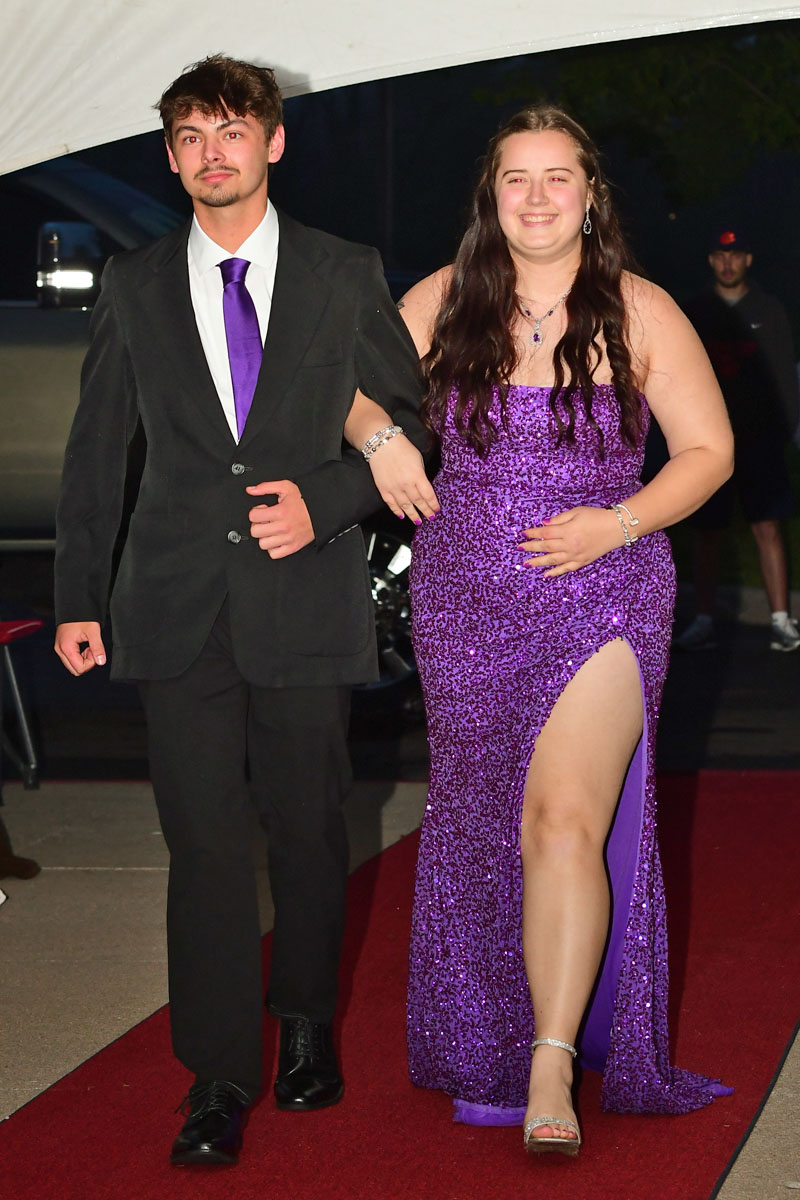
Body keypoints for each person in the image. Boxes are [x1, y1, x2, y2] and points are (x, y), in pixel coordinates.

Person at [53, 54, 425, 1166]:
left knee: (310, 826)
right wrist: (77, 597)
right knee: (204, 843)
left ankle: (305, 1020)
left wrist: (323, 501)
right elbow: (93, 456)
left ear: (273, 141)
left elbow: (405, 419)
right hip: (172, 604)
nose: (212, 152)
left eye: (232, 129)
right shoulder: (131, 284)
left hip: (301, 594)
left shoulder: (340, 269)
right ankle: (214, 1076)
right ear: (170, 157)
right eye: (189, 136)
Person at [346, 105, 734, 1158]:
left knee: (564, 819)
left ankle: (551, 1056)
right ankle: (491, 1029)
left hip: (602, 589)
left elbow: (706, 453)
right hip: (463, 593)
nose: (532, 196)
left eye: (554, 177)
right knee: (482, 825)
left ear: (588, 196)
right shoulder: (443, 297)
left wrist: (616, 520)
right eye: (513, 179)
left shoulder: (640, 311)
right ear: (490, 197)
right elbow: (333, 372)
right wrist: (383, 437)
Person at [674, 229, 800, 652]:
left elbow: (786, 376)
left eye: (736, 255)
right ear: (711, 261)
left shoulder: (769, 309)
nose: (727, 263)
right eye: (719, 255)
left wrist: (787, 430)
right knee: (707, 531)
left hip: (760, 442)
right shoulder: (695, 311)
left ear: (748, 259)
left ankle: (782, 621)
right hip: (707, 442)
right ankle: (704, 620)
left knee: (768, 526)